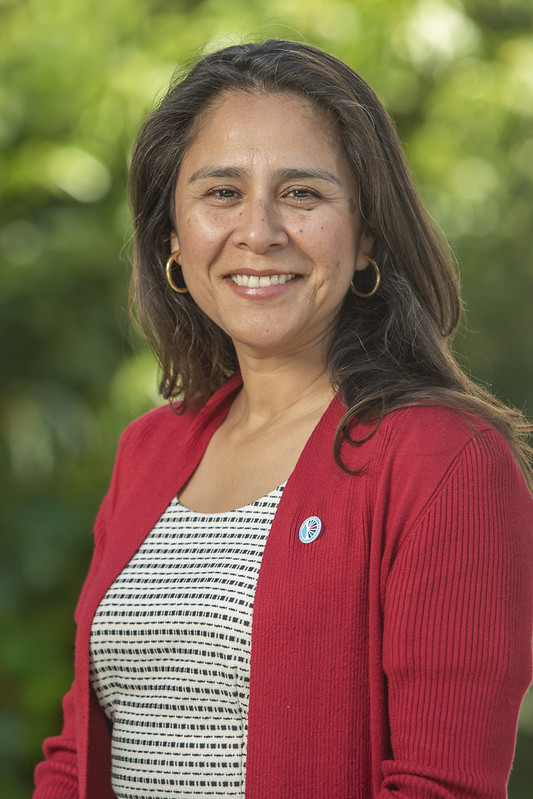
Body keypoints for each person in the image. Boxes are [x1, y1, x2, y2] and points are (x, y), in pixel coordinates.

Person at [33, 39, 532, 799]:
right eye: (221, 192)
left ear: (366, 234)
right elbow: (74, 755)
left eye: (301, 193)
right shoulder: (149, 448)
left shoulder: (445, 461)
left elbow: (442, 787)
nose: (259, 231)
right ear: (172, 235)